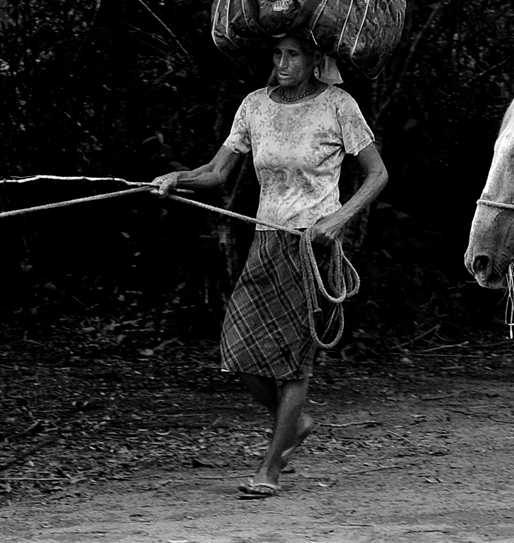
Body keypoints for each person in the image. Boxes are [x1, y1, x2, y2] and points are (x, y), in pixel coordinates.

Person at [153, 33, 389, 498]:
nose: (283, 63)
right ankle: (294, 421)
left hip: (311, 246)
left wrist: (337, 219)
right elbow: (218, 172)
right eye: (277, 54)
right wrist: (176, 179)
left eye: (293, 55)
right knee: (237, 350)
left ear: (314, 59)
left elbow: (377, 173)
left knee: (293, 363)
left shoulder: (339, 105)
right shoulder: (254, 106)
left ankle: (270, 470)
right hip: (265, 241)